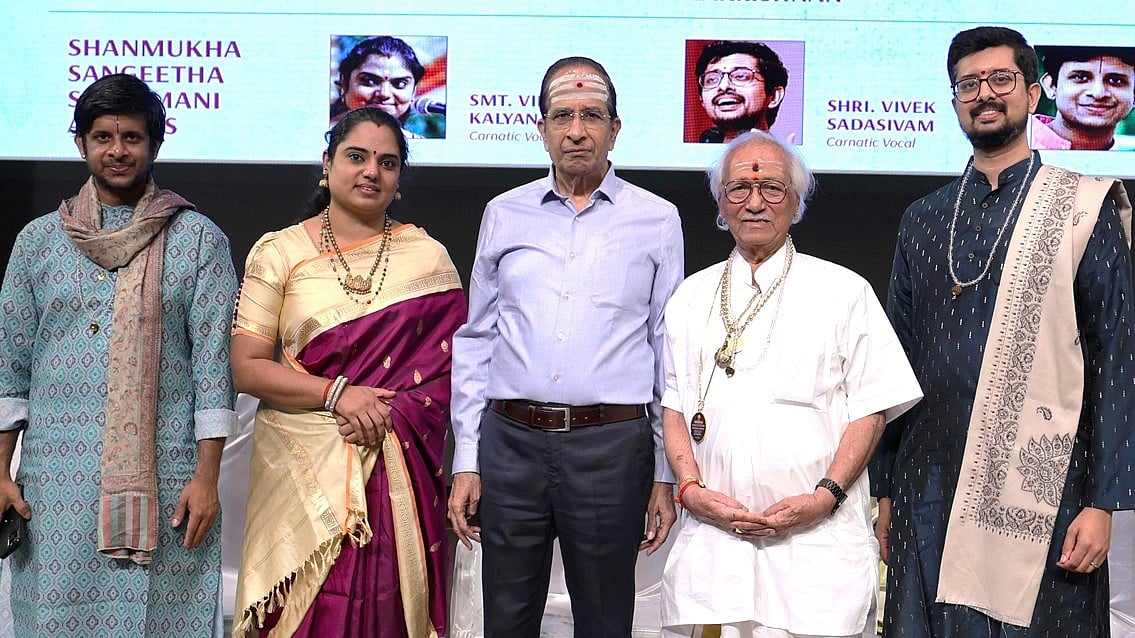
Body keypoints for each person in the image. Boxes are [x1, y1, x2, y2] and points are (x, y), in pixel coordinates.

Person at [873, 26, 1135, 637]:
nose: (985, 94)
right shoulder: (923, 219)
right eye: (968, 84)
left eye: (1001, 79)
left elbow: (1116, 358)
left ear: (1033, 94)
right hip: (928, 481)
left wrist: (1103, 503)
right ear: (954, 101)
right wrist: (884, 489)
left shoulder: (1083, 207)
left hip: (1047, 485)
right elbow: (895, 363)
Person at [447, 56, 684, 638]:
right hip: (511, 443)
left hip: (611, 447)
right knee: (506, 620)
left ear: (614, 129)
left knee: (604, 621)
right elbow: (476, 340)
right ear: (542, 129)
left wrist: (664, 469)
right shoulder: (503, 213)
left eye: (592, 116)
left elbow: (668, 352)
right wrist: (468, 458)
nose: (577, 131)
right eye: (562, 116)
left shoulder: (657, 219)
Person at [658, 130, 922, 638]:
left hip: (814, 551)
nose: (755, 203)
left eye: (772, 189)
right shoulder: (690, 297)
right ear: (721, 205)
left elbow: (872, 410)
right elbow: (675, 405)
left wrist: (824, 496)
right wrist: (689, 490)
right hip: (717, 547)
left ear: (797, 202)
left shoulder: (843, 291)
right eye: (739, 189)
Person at [0, 73, 238, 636]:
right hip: (56, 482)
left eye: (131, 137)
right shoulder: (38, 242)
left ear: (155, 143)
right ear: (80, 142)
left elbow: (214, 371)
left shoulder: (198, 240)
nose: (117, 150)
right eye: (103, 137)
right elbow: (10, 367)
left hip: (167, 477)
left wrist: (207, 478)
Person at [231, 107, 465, 637]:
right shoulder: (279, 252)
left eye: (387, 162)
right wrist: (339, 394)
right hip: (301, 475)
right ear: (327, 163)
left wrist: (384, 413)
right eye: (356, 156)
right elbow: (247, 368)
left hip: (394, 472)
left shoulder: (428, 259)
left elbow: (447, 377)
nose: (371, 172)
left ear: (399, 177)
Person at [331, 36, 445, 139]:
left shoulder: (423, 148)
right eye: (369, 81)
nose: (384, 93)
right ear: (344, 84)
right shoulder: (325, 140)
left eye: (399, 84)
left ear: (413, 91)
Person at [1030, 46, 1135, 150]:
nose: (1098, 93)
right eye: (1080, 77)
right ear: (1051, 86)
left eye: (1116, 80)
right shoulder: (1021, 144)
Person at [695, 40, 788, 143]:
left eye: (740, 76)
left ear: (774, 96)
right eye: (712, 79)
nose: (724, 86)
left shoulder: (786, 152)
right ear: (701, 99)